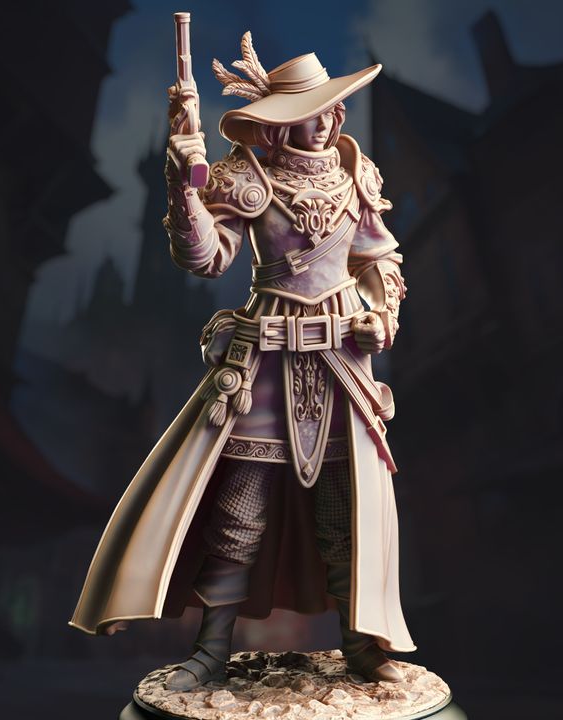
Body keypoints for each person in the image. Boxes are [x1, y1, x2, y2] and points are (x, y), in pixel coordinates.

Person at [70, 34, 415, 692]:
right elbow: (205, 258)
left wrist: (381, 313)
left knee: (346, 515)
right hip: (264, 362)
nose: (320, 124)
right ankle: (211, 648)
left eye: (327, 111)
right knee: (238, 515)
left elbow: (379, 258)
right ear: (278, 123)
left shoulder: (358, 176)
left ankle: (360, 645)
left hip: (342, 363)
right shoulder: (245, 177)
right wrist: (184, 186)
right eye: (305, 114)